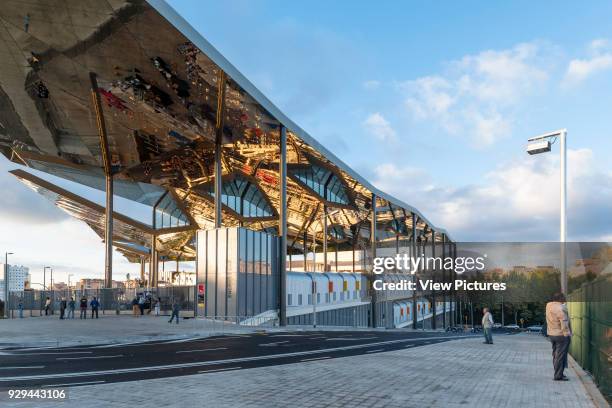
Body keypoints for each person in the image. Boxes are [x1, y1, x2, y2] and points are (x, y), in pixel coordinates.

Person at [546, 292, 572, 381]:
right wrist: (567, 334)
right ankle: (558, 375)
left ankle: (559, 373)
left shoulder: (548, 306)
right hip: (561, 335)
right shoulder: (561, 307)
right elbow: (564, 322)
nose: (565, 299)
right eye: (564, 297)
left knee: (555, 354)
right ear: (560, 298)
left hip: (551, 334)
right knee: (560, 356)